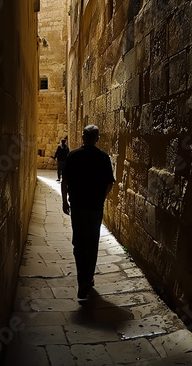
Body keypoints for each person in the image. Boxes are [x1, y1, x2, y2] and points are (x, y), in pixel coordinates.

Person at [61, 125, 115, 299]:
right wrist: (101, 198)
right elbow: (109, 183)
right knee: (92, 243)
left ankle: (82, 279)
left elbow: (65, 181)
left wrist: (64, 201)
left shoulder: (73, 156)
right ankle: (89, 277)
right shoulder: (103, 157)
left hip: (77, 206)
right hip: (95, 207)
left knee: (79, 243)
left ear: (82, 137)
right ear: (97, 139)